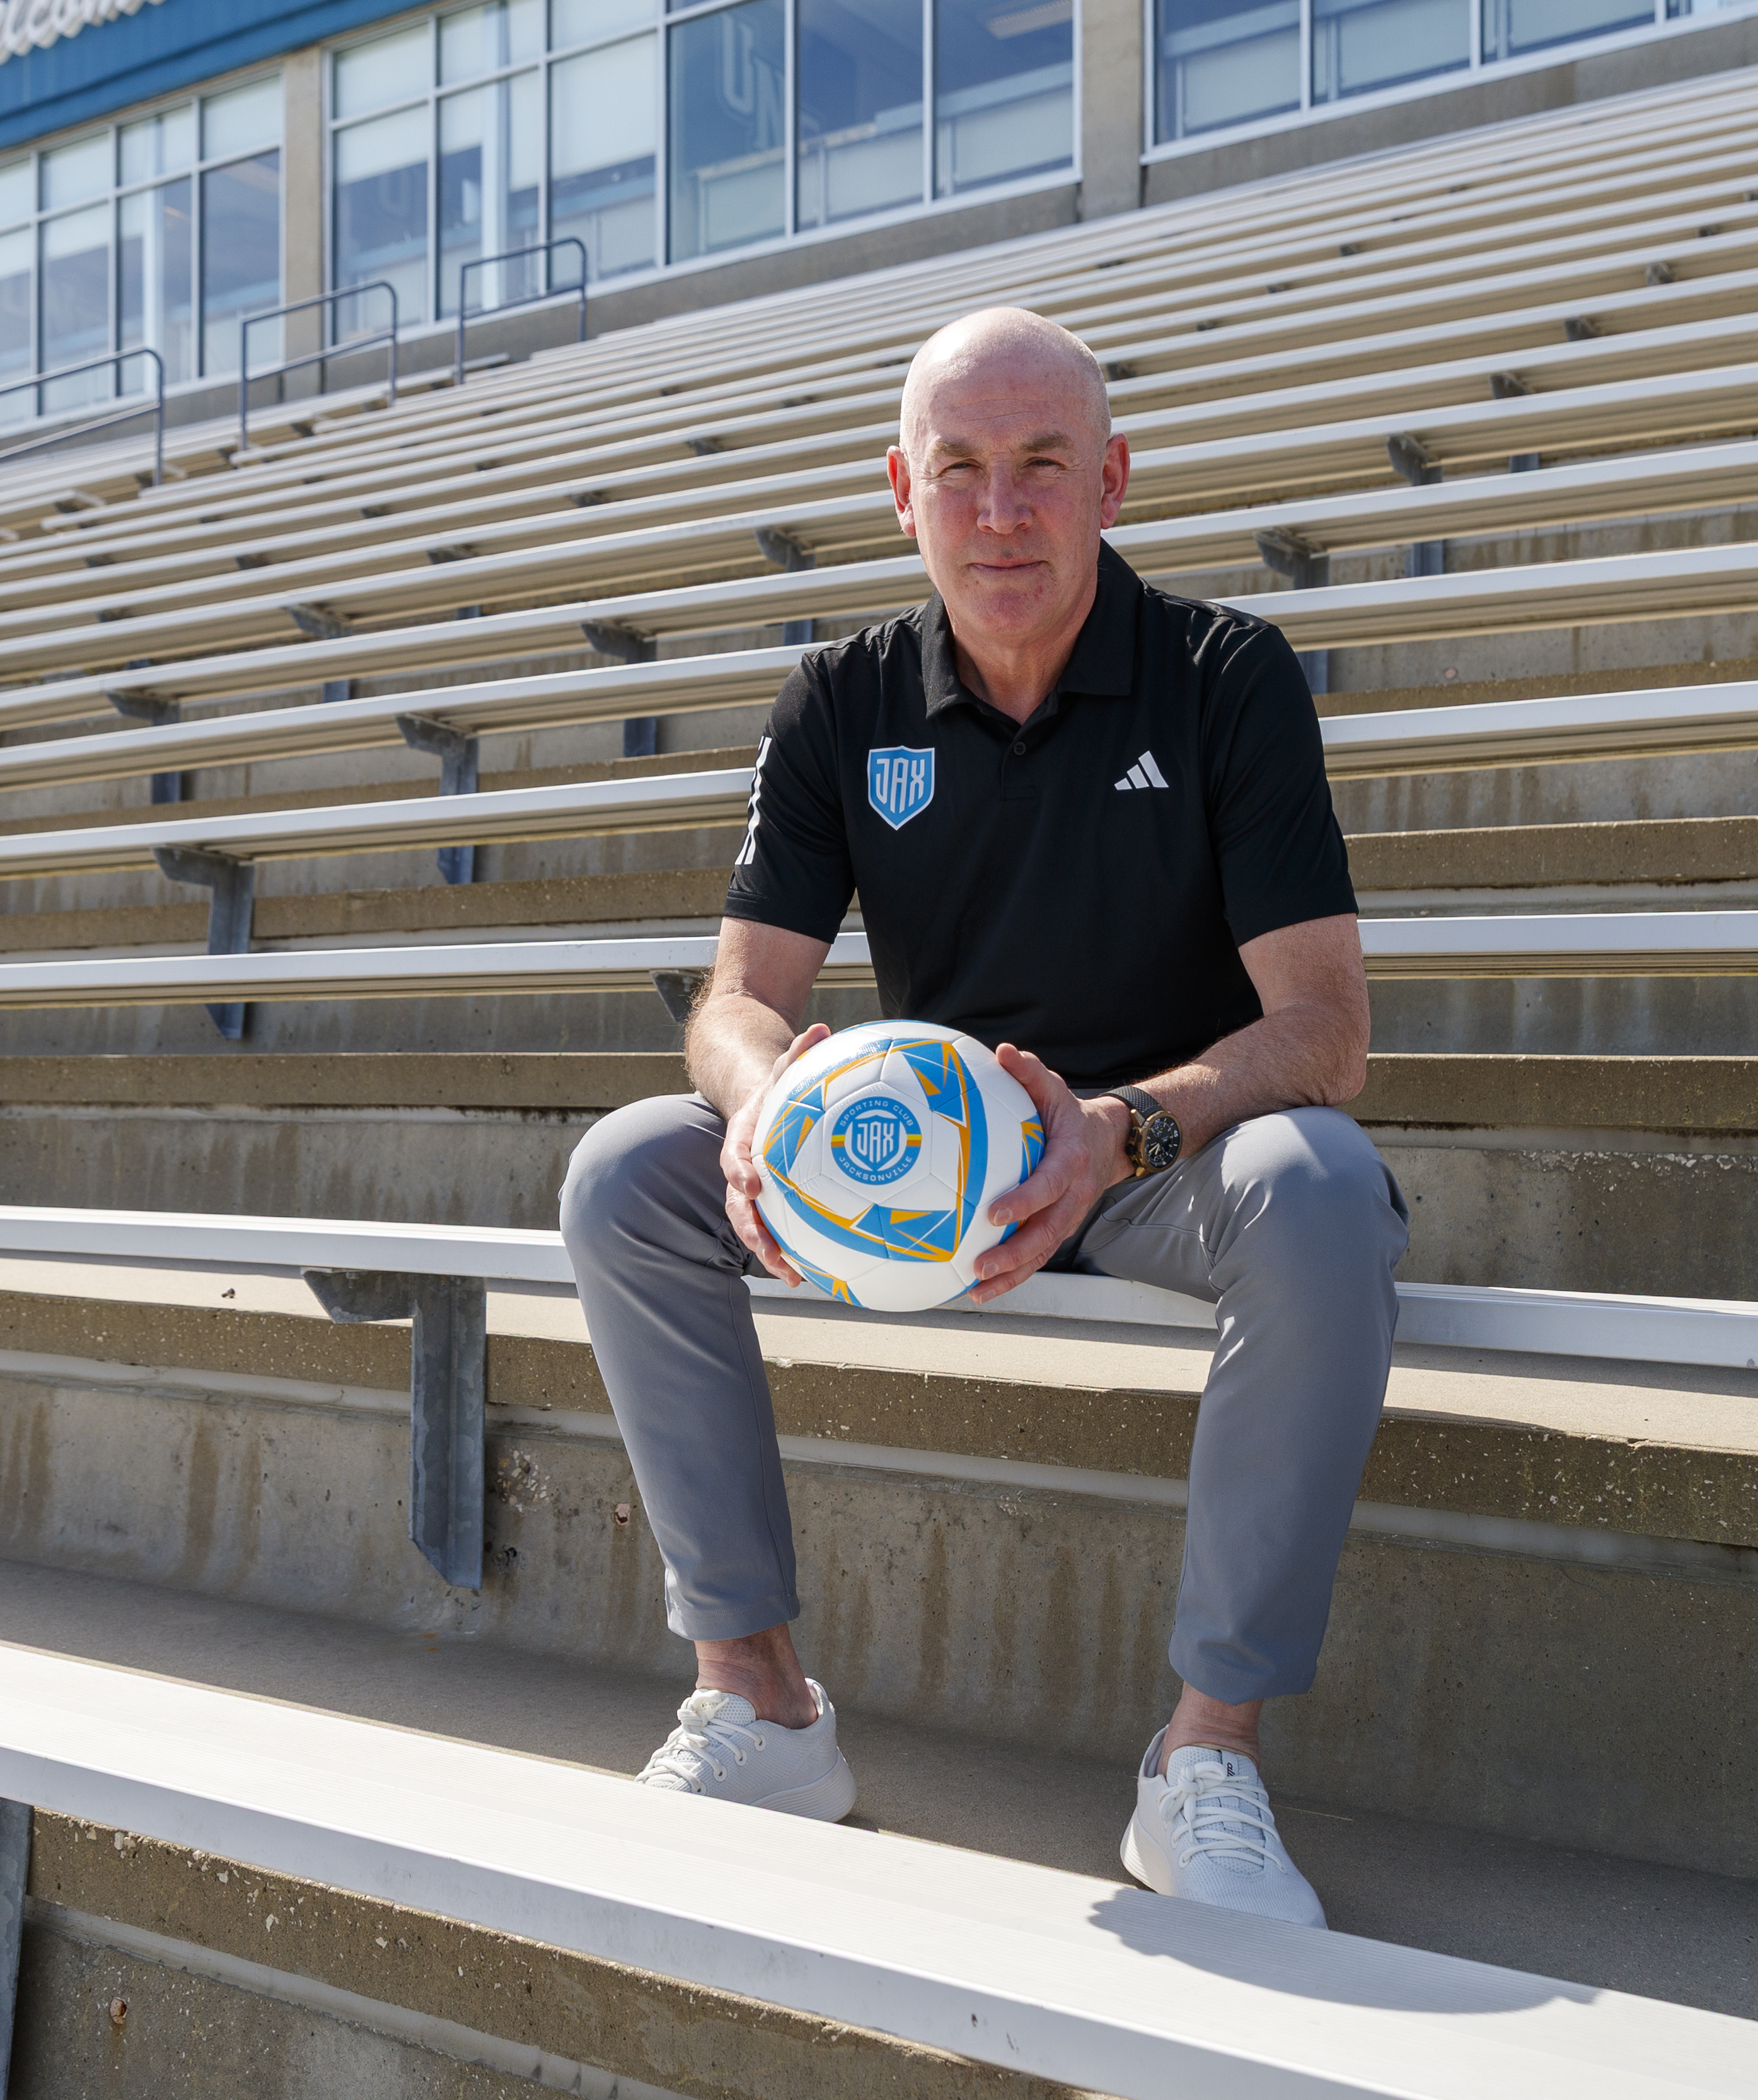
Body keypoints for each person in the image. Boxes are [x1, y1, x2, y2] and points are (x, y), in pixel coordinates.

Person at [558, 306, 1406, 1929]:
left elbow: (1325, 1029)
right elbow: (732, 1004)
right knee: (628, 1173)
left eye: (1041, 469)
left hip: (1165, 1159)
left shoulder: (1226, 679)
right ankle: (760, 1701)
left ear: (1113, 481)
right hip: (929, 1168)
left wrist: (1111, 1130)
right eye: (960, 471)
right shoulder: (840, 699)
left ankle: (1203, 1760)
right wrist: (765, 1108)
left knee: (1321, 1181)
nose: (1001, 512)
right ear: (901, 489)